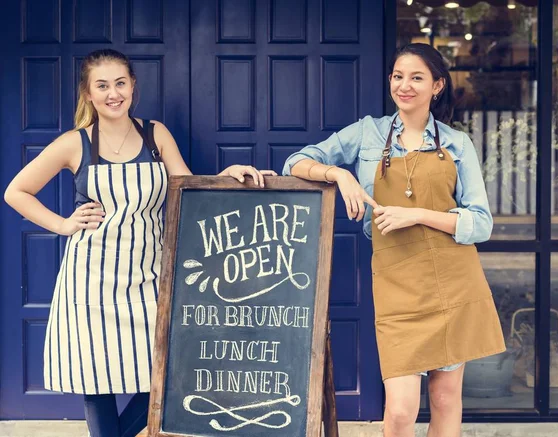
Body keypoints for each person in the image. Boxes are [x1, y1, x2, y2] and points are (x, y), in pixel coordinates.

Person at [3, 49, 275, 437]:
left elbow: (187, 189)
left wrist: (225, 176)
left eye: (120, 83)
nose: (113, 93)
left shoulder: (154, 134)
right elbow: (17, 191)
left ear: (132, 87)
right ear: (88, 93)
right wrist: (63, 225)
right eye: (102, 85)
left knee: (165, 373)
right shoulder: (74, 143)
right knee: (96, 382)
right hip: (90, 280)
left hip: (149, 276)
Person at [282, 43, 505, 437]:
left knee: (444, 399)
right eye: (398, 76)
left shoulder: (456, 143)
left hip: (453, 281)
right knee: (401, 410)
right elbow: (296, 162)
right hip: (396, 285)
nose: (405, 85)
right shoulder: (367, 133)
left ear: (437, 86)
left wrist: (416, 214)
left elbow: (481, 223)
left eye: (417, 78)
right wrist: (340, 174)